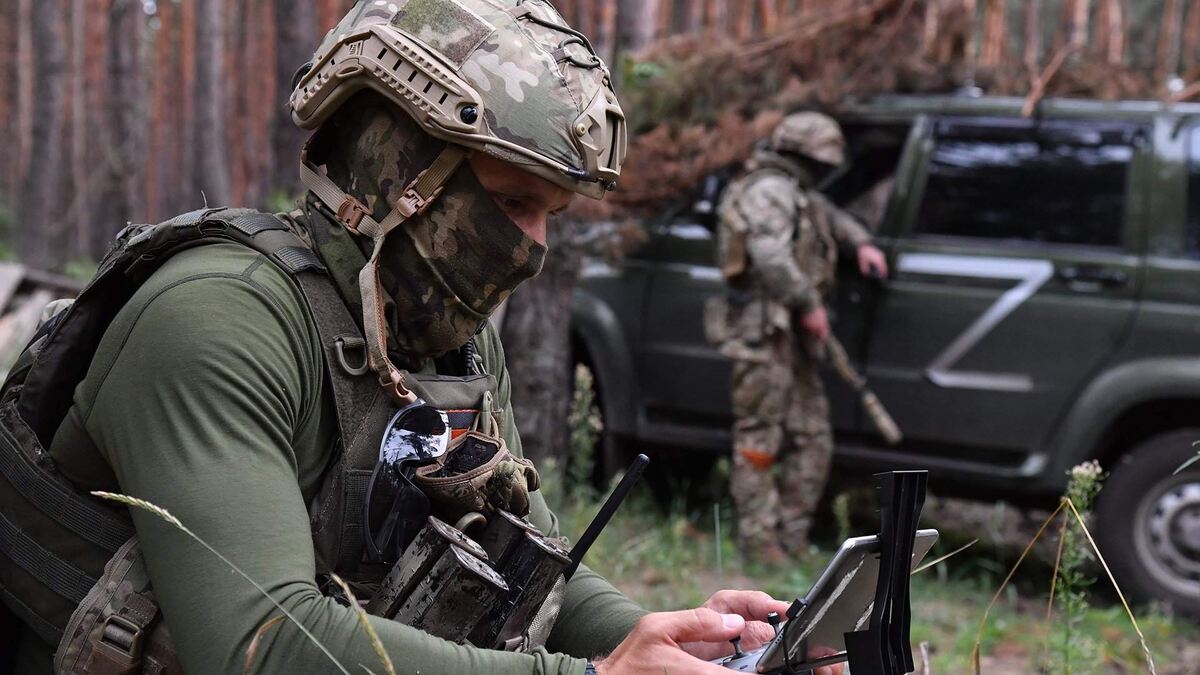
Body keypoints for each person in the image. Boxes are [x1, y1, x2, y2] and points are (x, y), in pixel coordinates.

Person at [1, 2, 844, 674]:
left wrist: (663, 641)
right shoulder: (219, 317)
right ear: (398, 173)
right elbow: (262, 642)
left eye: (551, 214)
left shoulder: (450, 341)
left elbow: (528, 559)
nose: (535, 247)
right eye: (513, 201)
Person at [707, 112, 889, 564]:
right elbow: (769, 254)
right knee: (759, 436)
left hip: (792, 341)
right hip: (764, 334)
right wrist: (808, 304)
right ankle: (759, 542)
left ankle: (791, 537)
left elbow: (829, 216)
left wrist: (861, 242)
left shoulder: (797, 191)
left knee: (812, 437)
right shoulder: (769, 190)